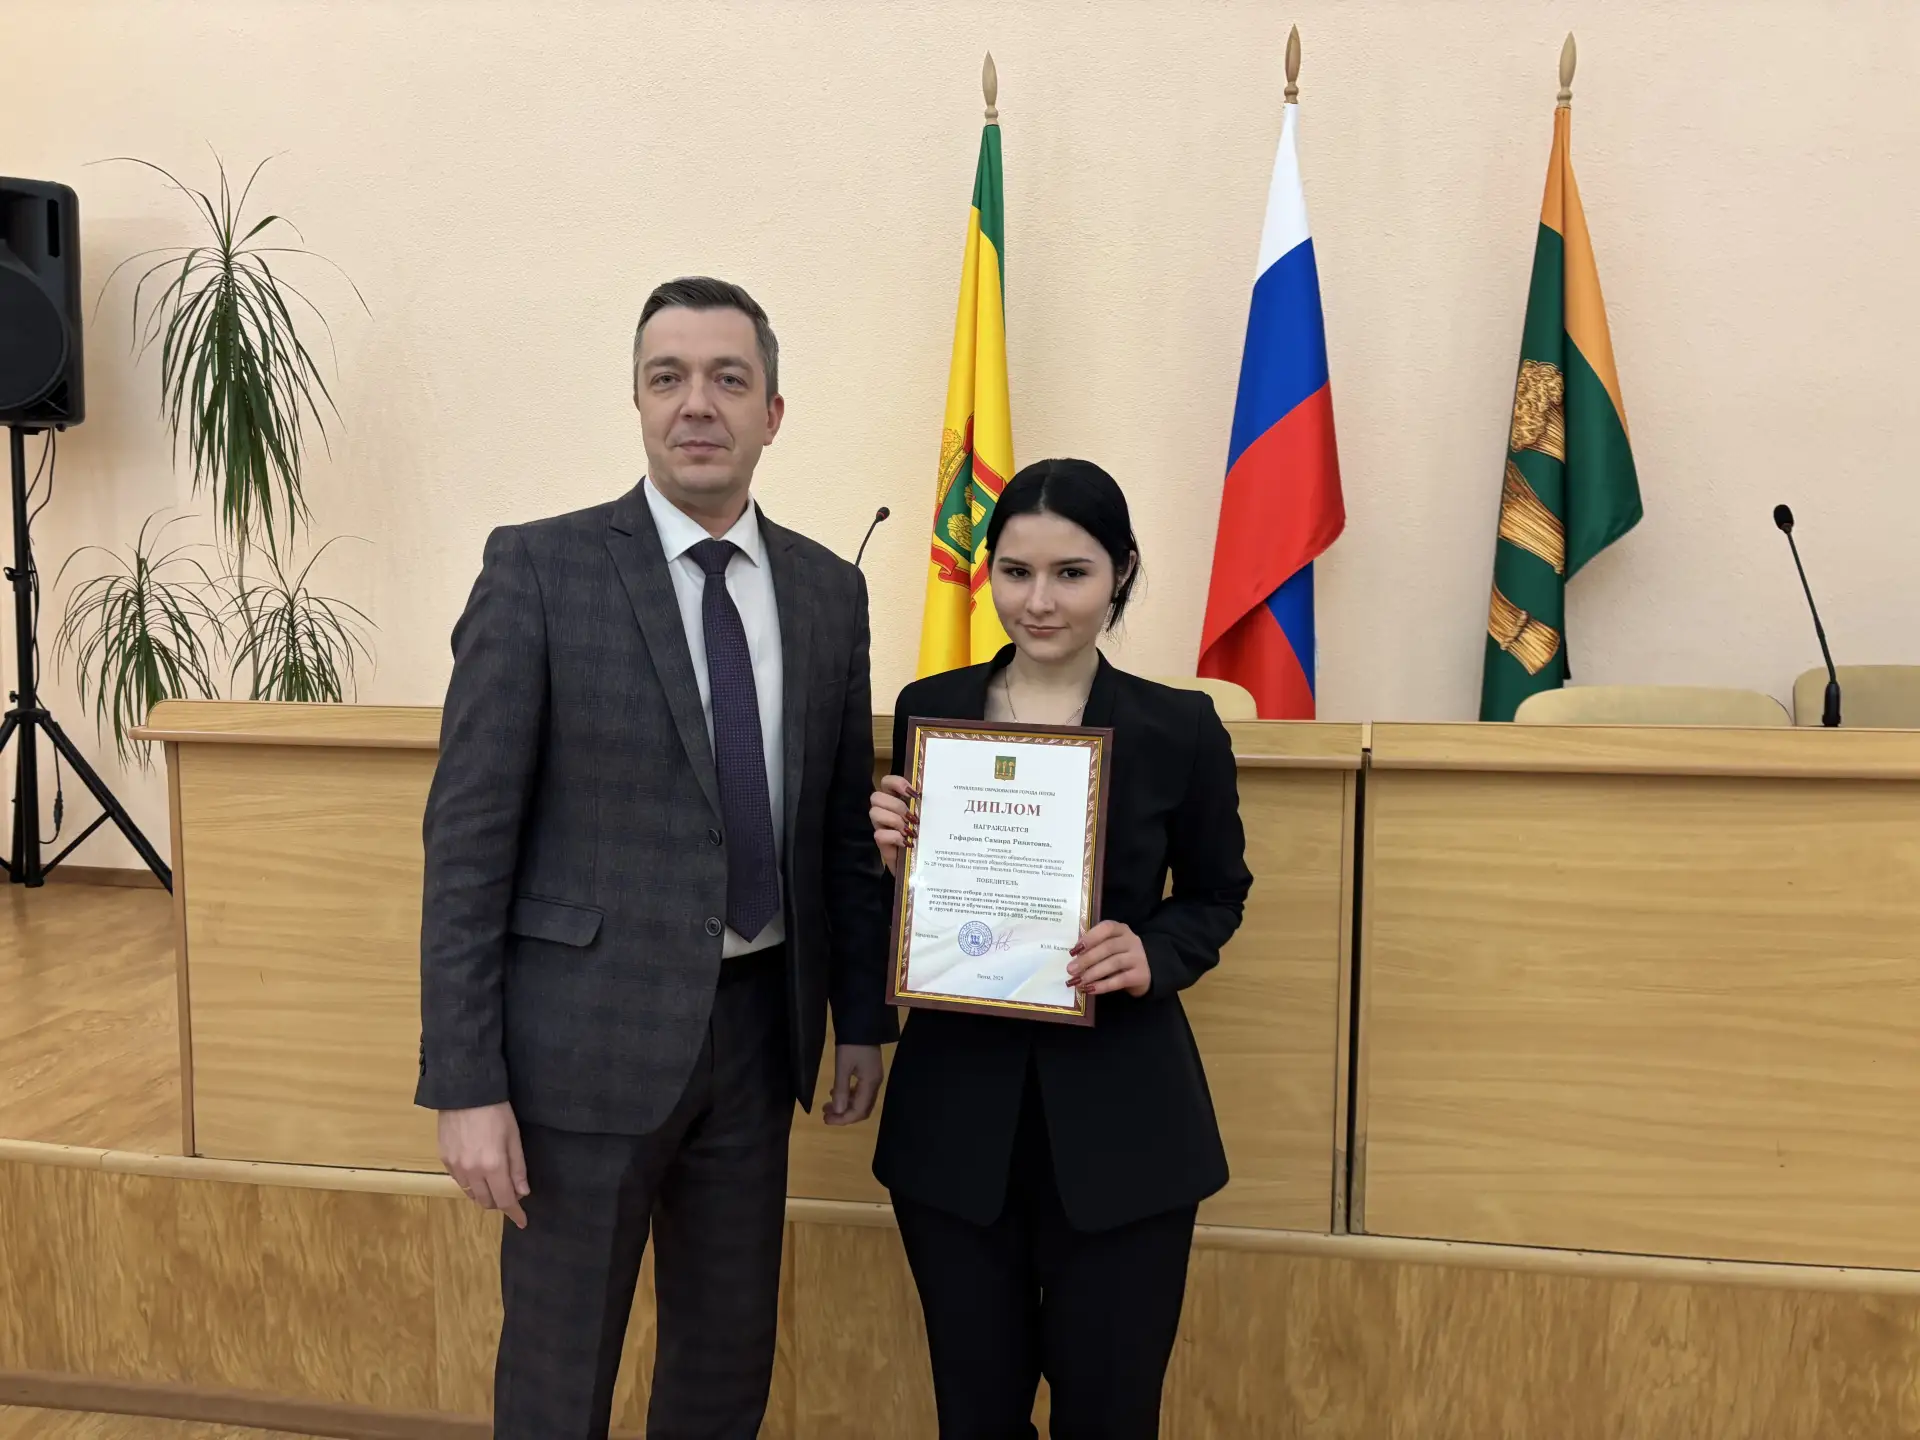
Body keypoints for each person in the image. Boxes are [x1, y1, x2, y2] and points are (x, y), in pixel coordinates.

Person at [416, 276, 895, 1440]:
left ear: (772, 412)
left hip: (759, 1039)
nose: (697, 404)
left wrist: (862, 1019)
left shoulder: (829, 593)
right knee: (559, 1374)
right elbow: (467, 844)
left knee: (725, 1369)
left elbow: (842, 833)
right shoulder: (540, 569)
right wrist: (466, 1082)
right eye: (667, 377)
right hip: (579, 1056)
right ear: (636, 401)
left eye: (729, 379)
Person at [869, 457, 1253, 1439]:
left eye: (1070, 573)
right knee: (975, 1417)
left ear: (1120, 572)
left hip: (1127, 1135)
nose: (1037, 601)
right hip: (954, 1130)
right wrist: (894, 857)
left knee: (1112, 1418)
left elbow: (1217, 894)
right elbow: (916, 912)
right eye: (1015, 571)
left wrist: (1153, 953)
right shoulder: (929, 709)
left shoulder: (1180, 728)